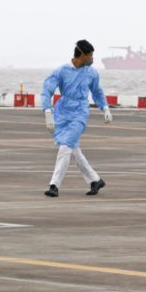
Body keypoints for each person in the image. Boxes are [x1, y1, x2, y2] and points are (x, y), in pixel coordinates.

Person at [41, 39, 112, 197]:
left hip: (80, 112)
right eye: (90, 55)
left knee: (66, 146)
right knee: (73, 149)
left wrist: (105, 108)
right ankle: (95, 180)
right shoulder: (61, 71)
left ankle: (54, 185)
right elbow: (47, 90)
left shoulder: (92, 73)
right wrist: (47, 112)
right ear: (81, 55)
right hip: (62, 112)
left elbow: (97, 92)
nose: (93, 58)